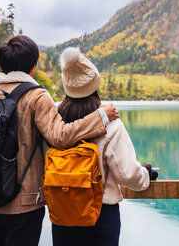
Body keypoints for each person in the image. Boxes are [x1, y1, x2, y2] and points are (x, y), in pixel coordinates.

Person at [0, 35, 119, 246]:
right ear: (32, 68)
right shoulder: (36, 96)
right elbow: (59, 137)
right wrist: (101, 117)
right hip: (24, 202)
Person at [51, 47, 158, 246]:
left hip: (62, 212)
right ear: (94, 85)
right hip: (100, 213)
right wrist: (145, 174)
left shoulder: (55, 123)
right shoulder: (111, 124)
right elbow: (127, 175)